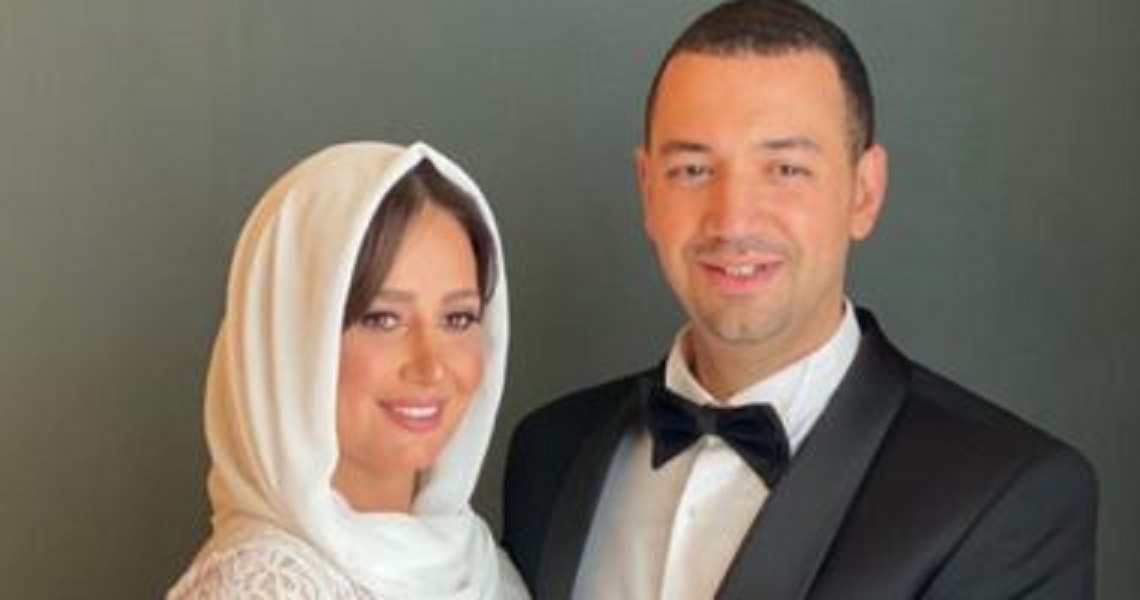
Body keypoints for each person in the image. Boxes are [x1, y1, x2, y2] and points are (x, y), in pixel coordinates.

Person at [501, 2, 1098, 599]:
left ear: (864, 192)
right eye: (693, 169)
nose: (733, 220)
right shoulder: (549, 451)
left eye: (785, 169)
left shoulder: (1008, 494)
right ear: (647, 190)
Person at [169, 141, 528, 599]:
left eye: (457, 319)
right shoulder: (264, 588)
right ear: (292, 342)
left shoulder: (476, 562)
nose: (431, 367)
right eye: (383, 319)